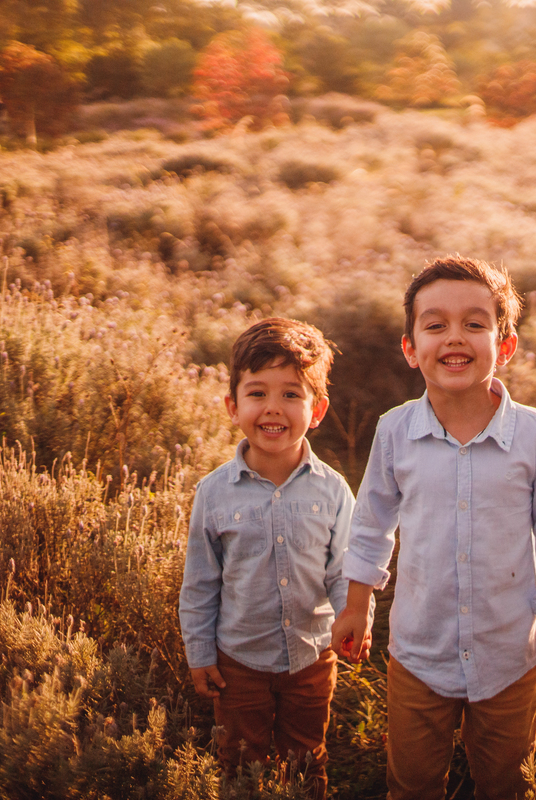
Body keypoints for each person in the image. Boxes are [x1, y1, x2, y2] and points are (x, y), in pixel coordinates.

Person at [332, 256, 536, 800]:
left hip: (510, 659)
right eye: (435, 325)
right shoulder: (395, 432)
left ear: (505, 345)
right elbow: (372, 522)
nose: (455, 338)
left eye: (475, 324)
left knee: (505, 784)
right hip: (418, 655)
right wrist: (357, 602)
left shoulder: (533, 434)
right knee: (411, 784)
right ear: (411, 348)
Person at [179, 317, 367, 797]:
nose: (273, 409)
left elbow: (343, 569)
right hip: (239, 661)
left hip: (311, 656)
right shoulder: (215, 493)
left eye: (291, 394)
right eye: (257, 393)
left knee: (307, 758)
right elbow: (201, 581)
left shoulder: (333, 490)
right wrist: (200, 653)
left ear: (317, 408)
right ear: (232, 406)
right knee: (242, 765)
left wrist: (352, 618)